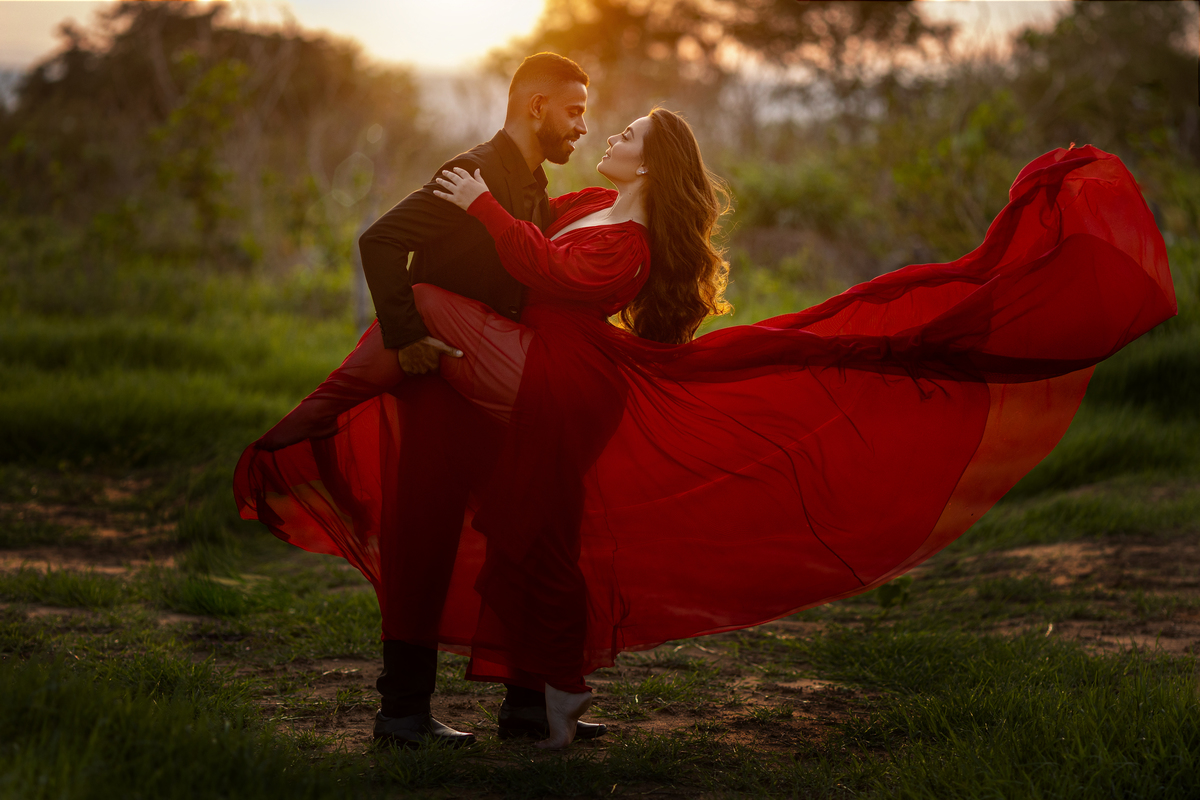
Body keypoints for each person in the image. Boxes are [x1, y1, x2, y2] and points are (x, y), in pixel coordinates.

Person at [236, 108, 1176, 748]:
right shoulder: (590, 205)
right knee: (531, 532)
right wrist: (487, 195)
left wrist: (475, 203)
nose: (609, 133)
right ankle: (538, 701)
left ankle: (304, 433)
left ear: (653, 158)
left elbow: (560, 280)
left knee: (519, 493)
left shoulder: (631, 238)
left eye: (628, 129)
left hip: (567, 383)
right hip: (542, 375)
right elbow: (524, 245)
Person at [245, 52, 606, 748]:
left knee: (526, 536)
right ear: (536, 107)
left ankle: (527, 709)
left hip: (496, 393)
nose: (582, 127)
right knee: (425, 543)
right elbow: (378, 242)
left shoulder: (530, 183)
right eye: (574, 111)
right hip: (439, 386)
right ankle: (402, 713)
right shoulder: (465, 174)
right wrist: (409, 339)